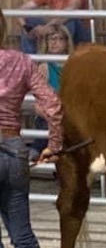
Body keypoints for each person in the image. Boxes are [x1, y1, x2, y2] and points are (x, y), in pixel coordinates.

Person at [0, 6, 63, 248]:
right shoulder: (21, 61)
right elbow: (52, 104)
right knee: (22, 232)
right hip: (14, 149)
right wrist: (53, 144)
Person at [17, 0, 91, 54]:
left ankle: (63, 59)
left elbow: (71, 10)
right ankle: (31, 62)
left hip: (80, 36)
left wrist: (46, 28)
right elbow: (21, 10)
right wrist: (27, 28)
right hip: (56, 28)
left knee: (70, 20)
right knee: (29, 21)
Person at [30, 23, 72, 158]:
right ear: (46, 42)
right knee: (48, 128)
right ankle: (35, 155)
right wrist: (54, 117)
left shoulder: (73, 65)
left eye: (60, 39)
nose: (55, 43)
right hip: (48, 115)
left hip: (69, 112)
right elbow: (37, 105)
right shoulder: (44, 67)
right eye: (52, 39)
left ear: (66, 42)